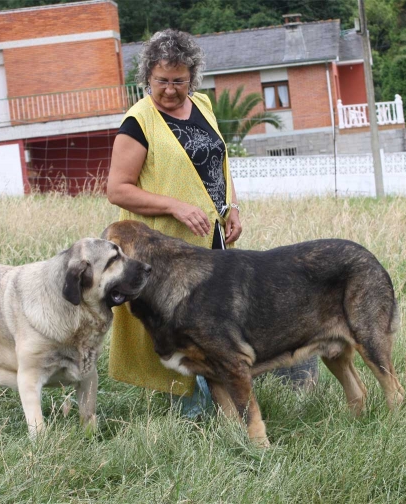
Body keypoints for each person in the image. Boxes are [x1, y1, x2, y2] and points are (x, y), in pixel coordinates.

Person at [106, 29, 317, 417]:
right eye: (161, 81)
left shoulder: (202, 104)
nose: (170, 90)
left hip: (210, 241)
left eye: (179, 81)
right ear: (147, 78)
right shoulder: (138, 121)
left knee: (213, 323)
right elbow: (117, 189)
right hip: (165, 249)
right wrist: (174, 205)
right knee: (179, 325)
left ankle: (226, 408)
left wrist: (231, 205)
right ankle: (190, 414)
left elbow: (218, 162)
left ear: (193, 78)